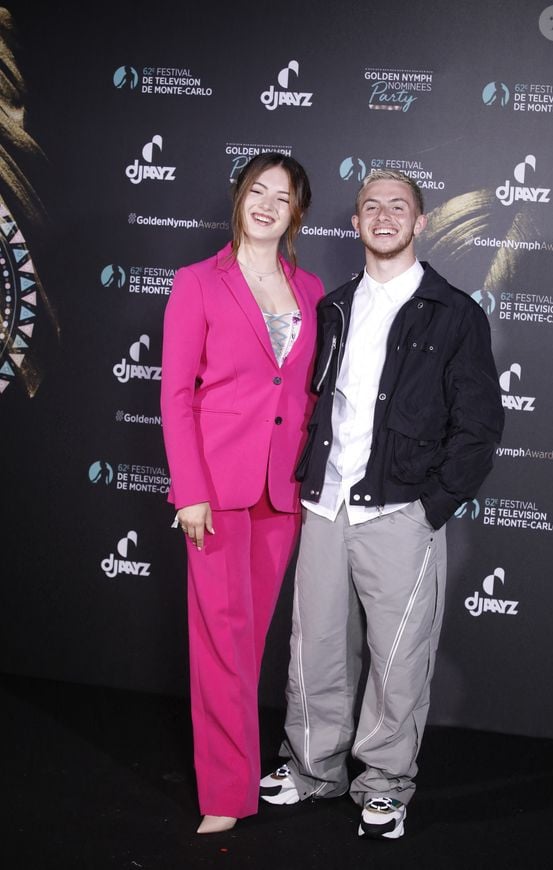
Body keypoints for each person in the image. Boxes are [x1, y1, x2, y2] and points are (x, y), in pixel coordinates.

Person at [260, 169, 504, 840]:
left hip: (401, 512)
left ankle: (386, 786)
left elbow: (479, 428)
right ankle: (312, 769)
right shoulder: (333, 306)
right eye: (372, 206)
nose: (385, 215)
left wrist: (431, 508)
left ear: (420, 223)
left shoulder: (454, 313)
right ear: (358, 222)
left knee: (397, 661)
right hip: (325, 507)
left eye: (399, 206)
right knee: (315, 654)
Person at [160, 153, 324, 834]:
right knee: (220, 642)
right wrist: (190, 492)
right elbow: (174, 393)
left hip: (281, 491)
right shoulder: (198, 282)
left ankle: (237, 765)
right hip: (218, 489)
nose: (265, 205)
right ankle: (225, 794)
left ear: (296, 214)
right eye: (256, 191)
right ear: (239, 199)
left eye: (280, 198)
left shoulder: (312, 288)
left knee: (249, 642)